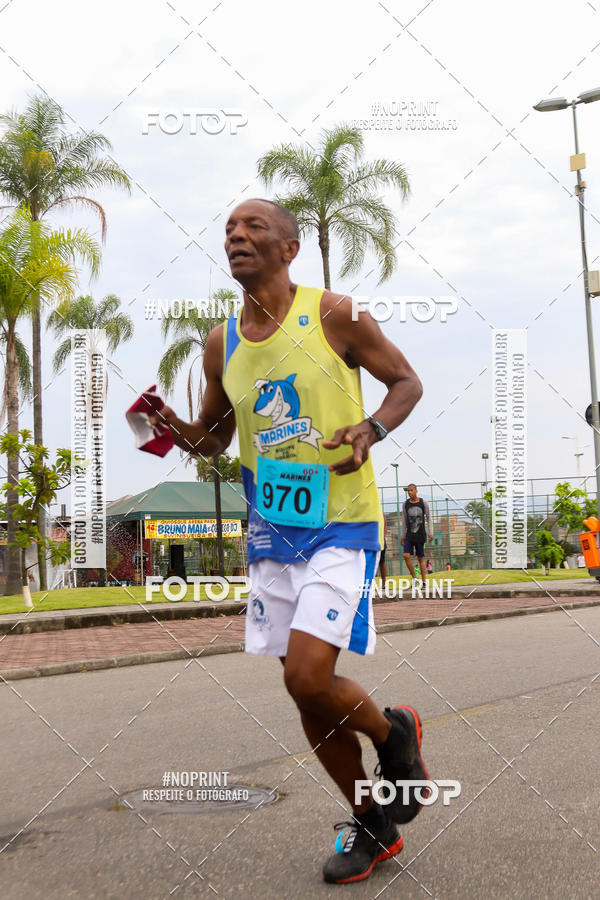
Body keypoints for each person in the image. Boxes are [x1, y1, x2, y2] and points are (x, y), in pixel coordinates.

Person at [148, 198, 428, 884]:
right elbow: (215, 438)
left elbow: (405, 381)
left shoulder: (335, 314)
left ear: (289, 249)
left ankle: (394, 735)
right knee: (304, 694)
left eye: (254, 228)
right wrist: (169, 426)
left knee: (308, 674)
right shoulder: (222, 344)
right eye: (228, 230)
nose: (237, 236)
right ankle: (373, 822)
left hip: (341, 522)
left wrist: (372, 429)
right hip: (273, 537)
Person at [401, 484, 433, 583]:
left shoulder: (423, 503)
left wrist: (431, 532)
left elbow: (429, 518)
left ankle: (424, 582)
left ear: (416, 491)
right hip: (409, 535)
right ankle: (415, 577)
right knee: (406, 555)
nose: (409, 492)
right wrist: (402, 536)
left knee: (421, 559)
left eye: (411, 490)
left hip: (420, 535)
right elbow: (404, 521)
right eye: (408, 491)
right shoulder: (405, 504)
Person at [378, 517, 388, 582]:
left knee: (381, 562)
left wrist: (383, 535)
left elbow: (385, 523)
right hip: (369, 540)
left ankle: (384, 583)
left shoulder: (380, 511)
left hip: (380, 540)